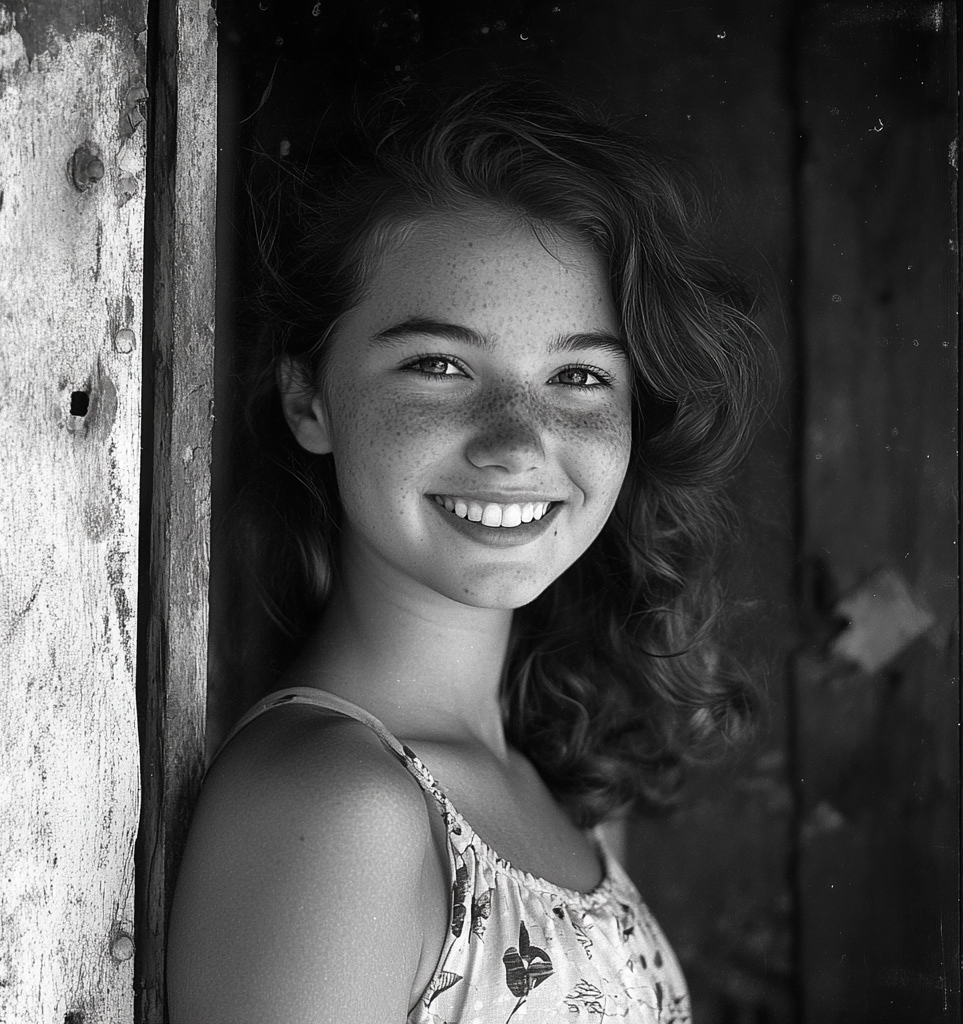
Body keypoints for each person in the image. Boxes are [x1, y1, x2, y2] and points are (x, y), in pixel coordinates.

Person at [167, 83, 768, 1024]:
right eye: (439, 366)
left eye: (578, 377)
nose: (518, 443)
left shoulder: (561, 790)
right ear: (308, 401)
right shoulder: (341, 811)